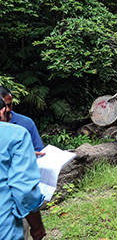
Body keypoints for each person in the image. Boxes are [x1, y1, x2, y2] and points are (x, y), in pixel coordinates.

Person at [0, 97, 47, 240]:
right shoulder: (16, 134)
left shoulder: (25, 123)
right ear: (2, 111)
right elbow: (24, 190)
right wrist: (37, 226)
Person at [0, 87, 44, 156]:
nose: (8, 109)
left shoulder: (26, 123)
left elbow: (39, 150)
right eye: (3, 106)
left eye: (9, 104)